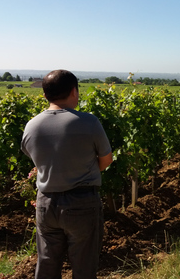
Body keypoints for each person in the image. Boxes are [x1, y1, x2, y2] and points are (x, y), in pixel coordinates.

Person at [21, 70, 113, 278]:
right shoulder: (89, 122)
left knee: (47, 262)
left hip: (46, 203)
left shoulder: (32, 126)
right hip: (81, 203)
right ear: (74, 91)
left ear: (45, 95)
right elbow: (106, 160)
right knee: (83, 266)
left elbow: (36, 159)